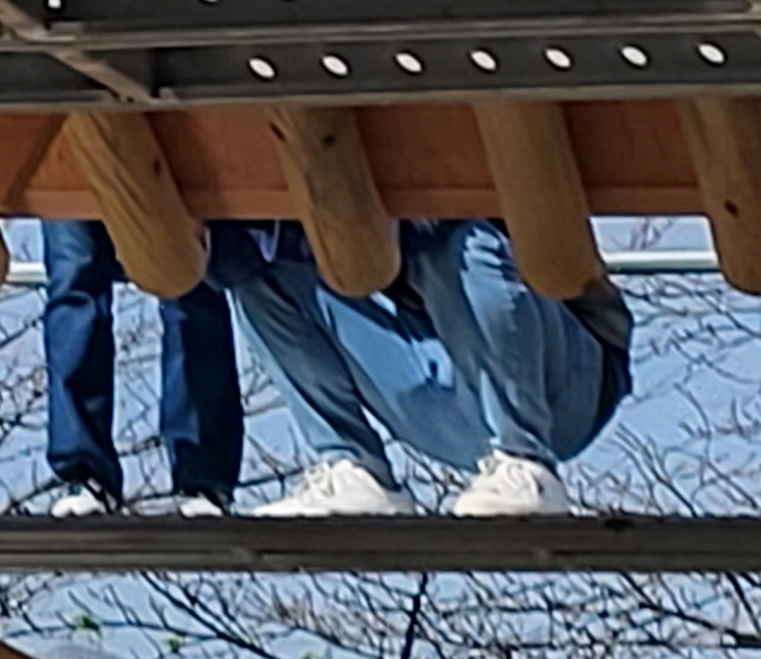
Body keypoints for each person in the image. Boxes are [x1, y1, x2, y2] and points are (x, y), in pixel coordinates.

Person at [208, 215, 631, 518]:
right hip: (438, 388)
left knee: (459, 237)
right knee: (258, 270)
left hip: (565, 384)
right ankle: (353, 467)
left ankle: (526, 461)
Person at [29, 218, 241, 518]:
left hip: (174, 173)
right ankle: (85, 475)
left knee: (190, 278)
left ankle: (204, 479)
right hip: (64, 174)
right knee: (74, 280)